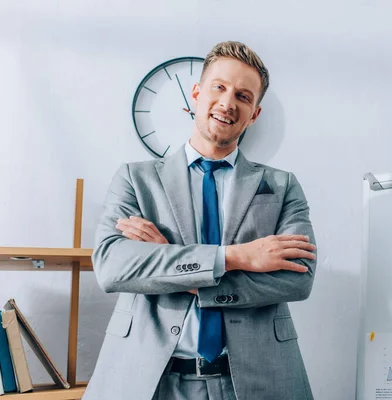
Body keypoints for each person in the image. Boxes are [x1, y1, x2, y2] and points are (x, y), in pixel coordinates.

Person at [84, 41, 317, 400]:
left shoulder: (282, 185)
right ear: (196, 93)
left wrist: (169, 261)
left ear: (254, 113)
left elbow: (296, 279)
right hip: (149, 381)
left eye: (243, 95)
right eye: (219, 87)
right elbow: (113, 268)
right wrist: (236, 257)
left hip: (254, 382)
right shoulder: (135, 179)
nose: (228, 103)